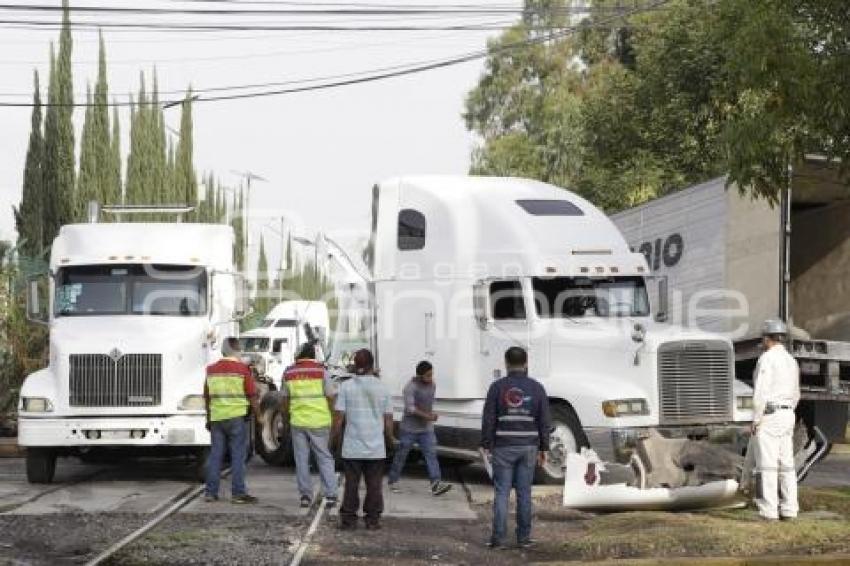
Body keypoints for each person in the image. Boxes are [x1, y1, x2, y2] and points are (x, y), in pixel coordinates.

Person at [481, 347, 550, 549]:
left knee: (501, 492)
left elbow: (489, 418)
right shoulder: (537, 388)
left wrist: (486, 443)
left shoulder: (497, 387)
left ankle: (499, 539)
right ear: (526, 363)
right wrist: (544, 448)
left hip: (503, 446)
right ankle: (524, 538)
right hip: (529, 447)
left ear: (506, 363)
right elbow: (544, 420)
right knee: (524, 492)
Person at [332, 348, 393, 530]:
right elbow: (388, 419)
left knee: (351, 484)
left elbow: (338, 417)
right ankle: (372, 520)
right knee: (374, 485)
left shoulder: (346, 387)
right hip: (375, 447)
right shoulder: (382, 388)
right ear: (372, 365)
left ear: (355, 365)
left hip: (352, 446)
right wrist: (389, 440)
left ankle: (349, 520)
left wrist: (333, 439)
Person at [752, 319, 801, 521]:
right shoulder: (791, 360)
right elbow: (797, 393)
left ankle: (769, 510)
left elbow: (761, 390)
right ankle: (790, 509)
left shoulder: (767, 359)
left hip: (771, 415)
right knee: (787, 464)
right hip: (788, 413)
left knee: (768, 465)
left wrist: (756, 419)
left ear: (767, 338)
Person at [204, 337, 261, 504]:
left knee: (215, 456)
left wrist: (208, 417)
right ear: (236, 350)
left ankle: (210, 493)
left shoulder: (211, 370)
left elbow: (207, 396)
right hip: (236, 418)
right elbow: (251, 396)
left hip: (217, 418)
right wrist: (259, 415)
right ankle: (238, 493)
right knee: (238, 456)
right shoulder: (242, 369)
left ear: (222, 351)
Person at [282, 342, 338, 509]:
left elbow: (285, 400)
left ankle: (305, 497)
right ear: (313, 355)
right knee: (324, 457)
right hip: (319, 421)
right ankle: (330, 496)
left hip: (298, 422)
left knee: (301, 460)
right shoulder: (322, 372)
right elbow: (330, 397)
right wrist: (333, 417)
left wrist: (287, 419)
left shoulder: (289, 372)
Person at [387, 360, 452, 496]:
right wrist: (428, 416)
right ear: (419, 375)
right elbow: (410, 409)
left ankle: (436, 484)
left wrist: (429, 417)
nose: (431, 378)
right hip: (409, 429)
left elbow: (428, 404)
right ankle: (393, 480)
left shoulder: (432, 385)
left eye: (432, 375)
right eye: (428, 375)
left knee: (431, 455)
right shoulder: (410, 388)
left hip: (426, 429)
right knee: (401, 455)